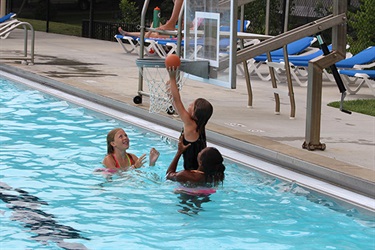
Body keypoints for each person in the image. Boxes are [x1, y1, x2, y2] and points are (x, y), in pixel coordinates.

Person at [167, 68, 213, 171]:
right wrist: (170, 89)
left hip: (191, 174)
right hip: (199, 171)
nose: (190, 104)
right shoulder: (199, 126)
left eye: (193, 105)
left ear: (196, 114)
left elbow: (177, 100)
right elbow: (174, 102)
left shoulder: (190, 124)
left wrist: (172, 77)